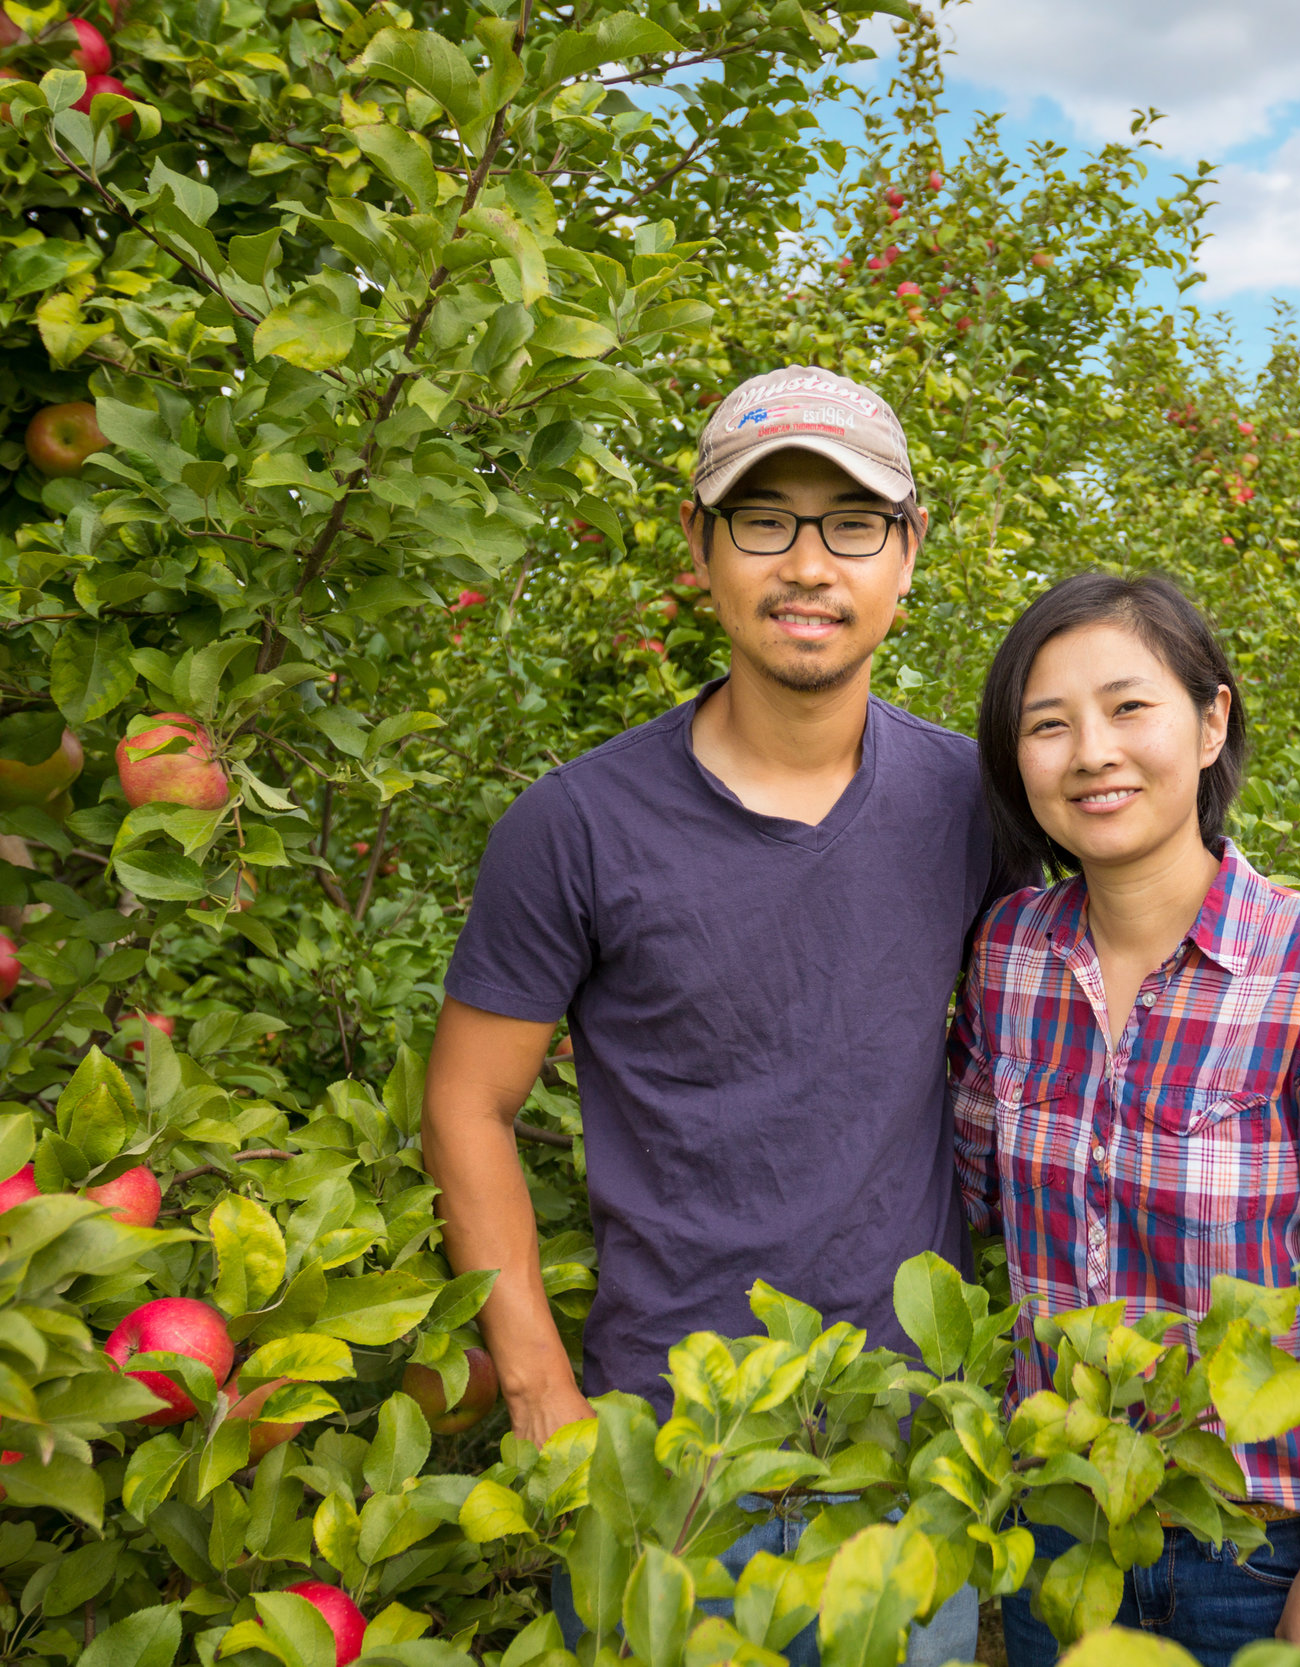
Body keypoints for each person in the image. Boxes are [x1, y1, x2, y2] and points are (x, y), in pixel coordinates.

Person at [423, 366, 1002, 1665]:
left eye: (853, 521)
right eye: (765, 518)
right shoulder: (572, 827)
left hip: (903, 1458)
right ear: (700, 548)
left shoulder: (975, 803)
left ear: (907, 554)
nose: (808, 561)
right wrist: (538, 1391)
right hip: (663, 1461)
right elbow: (469, 1099)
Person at [950, 573, 1300, 1667]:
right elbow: (960, 1189)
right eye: (1047, 723)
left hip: (1255, 1553)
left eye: (1129, 708)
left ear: (1210, 722)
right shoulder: (1010, 955)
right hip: (1066, 1531)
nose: (1090, 752)